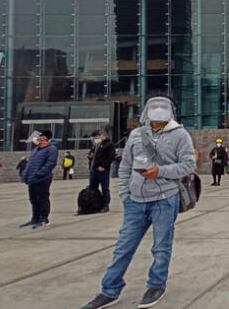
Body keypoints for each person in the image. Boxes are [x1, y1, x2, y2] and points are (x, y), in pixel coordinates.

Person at [81, 94, 196, 309]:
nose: (158, 110)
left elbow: (189, 164)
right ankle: (110, 289)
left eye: (163, 106)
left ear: (170, 110)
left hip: (164, 199)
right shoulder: (136, 134)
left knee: (161, 247)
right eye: (154, 106)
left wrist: (161, 171)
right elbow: (125, 166)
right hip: (135, 201)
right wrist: (125, 194)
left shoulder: (180, 135)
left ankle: (156, 285)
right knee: (124, 246)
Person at [20, 130, 58, 229]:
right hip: (32, 179)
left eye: (38, 137)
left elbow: (50, 163)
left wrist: (39, 174)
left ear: (44, 138)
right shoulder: (35, 150)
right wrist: (25, 174)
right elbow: (29, 164)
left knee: (42, 198)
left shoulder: (51, 149)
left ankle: (44, 219)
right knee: (33, 199)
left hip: (43, 178)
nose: (35, 139)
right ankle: (35, 218)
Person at [88, 130, 116, 213]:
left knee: (105, 188)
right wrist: (90, 156)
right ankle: (94, 204)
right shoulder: (95, 145)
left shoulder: (109, 144)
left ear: (101, 135)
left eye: (96, 137)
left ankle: (105, 205)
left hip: (102, 170)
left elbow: (111, 157)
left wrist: (103, 166)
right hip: (93, 170)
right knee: (93, 188)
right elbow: (92, 154)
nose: (95, 139)